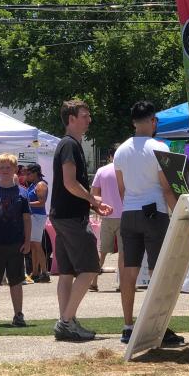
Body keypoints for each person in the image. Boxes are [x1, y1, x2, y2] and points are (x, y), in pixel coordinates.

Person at [113, 101, 183, 346]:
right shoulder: (159, 147)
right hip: (154, 213)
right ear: (153, 121)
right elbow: (166, 188)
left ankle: (128, 326)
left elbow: (122, 189)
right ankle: (158, 327)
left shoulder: (121, 151)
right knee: (157, 273)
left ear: (133, 121)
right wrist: (181, 214)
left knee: (128, 272)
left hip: (129, 213)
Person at [51, 100, 112, 342]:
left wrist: (91, 199)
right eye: (85, 116)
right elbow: (69, 182)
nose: (89, 120)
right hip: (71, 218)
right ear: (71, 118)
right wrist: (93, 200)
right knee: (89, 269)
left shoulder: (67, 144)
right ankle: (66, 321)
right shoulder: (69, 145)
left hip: (61, 215)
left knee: (66, 272)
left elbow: (70, 185)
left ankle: (68, 321)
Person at [0, 153, 31, 328]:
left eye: (8, 167)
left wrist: (28, 241)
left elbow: (27, 219)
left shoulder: (23, 193)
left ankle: (18, 314)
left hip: (16, 244)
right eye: (1, 167)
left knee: (16, 281)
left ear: (15, 170)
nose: (5, 170)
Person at [90, 145, 124, 292]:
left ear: (109, 155)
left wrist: (98, 210)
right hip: (124, 215)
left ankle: (94, 281)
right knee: (124, 253)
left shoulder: (101, 171)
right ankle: (123, 284)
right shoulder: (125, 171)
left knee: (102, 251)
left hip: (107, 215)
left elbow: (94, 194)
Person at [24, 163, 50, 283]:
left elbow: (41, 202)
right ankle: (35, 272)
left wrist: (25, 204)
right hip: (34, 216)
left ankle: (44, 272)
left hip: (37, 216)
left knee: (37, 245)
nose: (26, 176)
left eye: (28, 173)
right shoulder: (33, 185)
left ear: (35, 173)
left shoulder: (40, 185)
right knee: (34, 246)